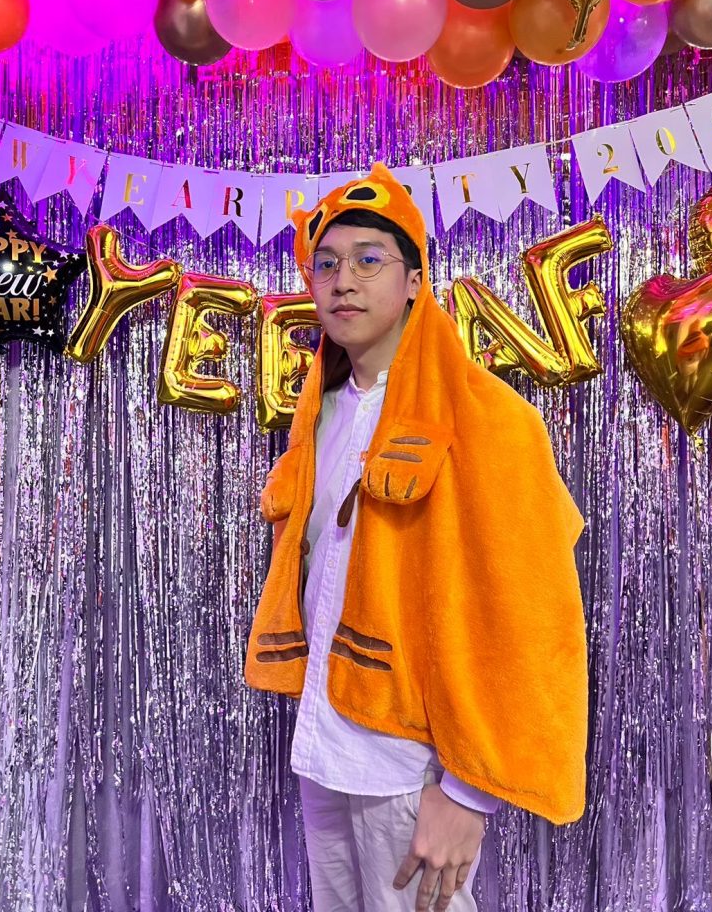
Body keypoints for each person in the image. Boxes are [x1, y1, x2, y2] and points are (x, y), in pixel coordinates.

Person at [245, 163, 589, 912]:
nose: (343, 281)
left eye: (369, 260)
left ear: (412, 281)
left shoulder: (488, 418)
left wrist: (467, 794)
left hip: (409, 765)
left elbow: (534, 616)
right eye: (326, 265)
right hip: (323, 744)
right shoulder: (322, 410)